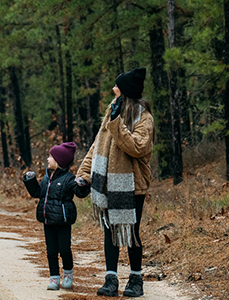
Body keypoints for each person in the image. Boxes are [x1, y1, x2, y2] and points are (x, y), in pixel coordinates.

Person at [73, 68, 155, 297]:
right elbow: (97, 146)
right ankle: (111, 279)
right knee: (110, 231)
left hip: (133, 186)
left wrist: (117, 123)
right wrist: (84, 175)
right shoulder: (112, 111)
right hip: (108, 182)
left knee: (131, 231)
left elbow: (137, 147)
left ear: (125, 91)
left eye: (116, 86)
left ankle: (136, 280)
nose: (113, 89)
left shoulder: (144, 118)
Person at [22, 142, 85, 291]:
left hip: (62, 222)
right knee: (51, 251)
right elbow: (37, 193)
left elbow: (79, 192)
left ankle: (68, 273)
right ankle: (54, 278)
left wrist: (83, 184)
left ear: (59, 161)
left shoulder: (69, 178)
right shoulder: (46, 178)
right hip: (48, 220)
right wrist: (30, 181)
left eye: (51, 156)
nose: (48, 158)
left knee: (64, 249)